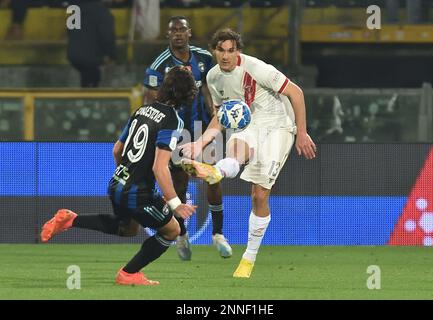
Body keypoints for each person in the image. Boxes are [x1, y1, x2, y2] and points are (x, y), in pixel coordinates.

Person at [40, 66, 198, 285]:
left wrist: (126, 176)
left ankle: (71, 219)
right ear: (186, 94)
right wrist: (175, 203)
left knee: (128, 228)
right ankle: (129, 273)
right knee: (173, 230)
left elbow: (117, 149)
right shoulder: (173, 120)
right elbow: (159, 167)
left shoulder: (141, 111)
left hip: (116, 183)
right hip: (137, 192)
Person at [180, 29, 317, 278]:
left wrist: (302, 133)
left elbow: (296, 93)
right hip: (248, 124)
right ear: (214, 51)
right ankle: (216, 171)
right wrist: (199, 143)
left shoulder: (257, 68)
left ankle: (248, 258)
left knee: (259, 195)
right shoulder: (213, 78)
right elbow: (221, 117)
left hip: (278, 126)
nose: (225, 55)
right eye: (220, 50)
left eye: (230, 50)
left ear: (238, 51)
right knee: (236, 151)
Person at [143, 16, 232, 261]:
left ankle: (218, 234)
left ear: (189, 33)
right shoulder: (159, 65)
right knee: (180, 184)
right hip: (175, 132)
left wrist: (215, 116)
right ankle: (181, 234)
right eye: (174, 30)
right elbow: (150, 100)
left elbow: (209, 89)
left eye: (182, 29)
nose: (178, 34)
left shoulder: (203, 58)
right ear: (168, 35)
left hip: (202, 130)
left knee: (213, 177)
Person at [67, 0, 117, 87]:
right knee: (93, 80)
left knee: (86, 78)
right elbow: (107, 37)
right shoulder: (103, 12)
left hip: (73, 56)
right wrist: (111, 56)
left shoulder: (75, 8)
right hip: (92, 58)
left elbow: (70, 30)